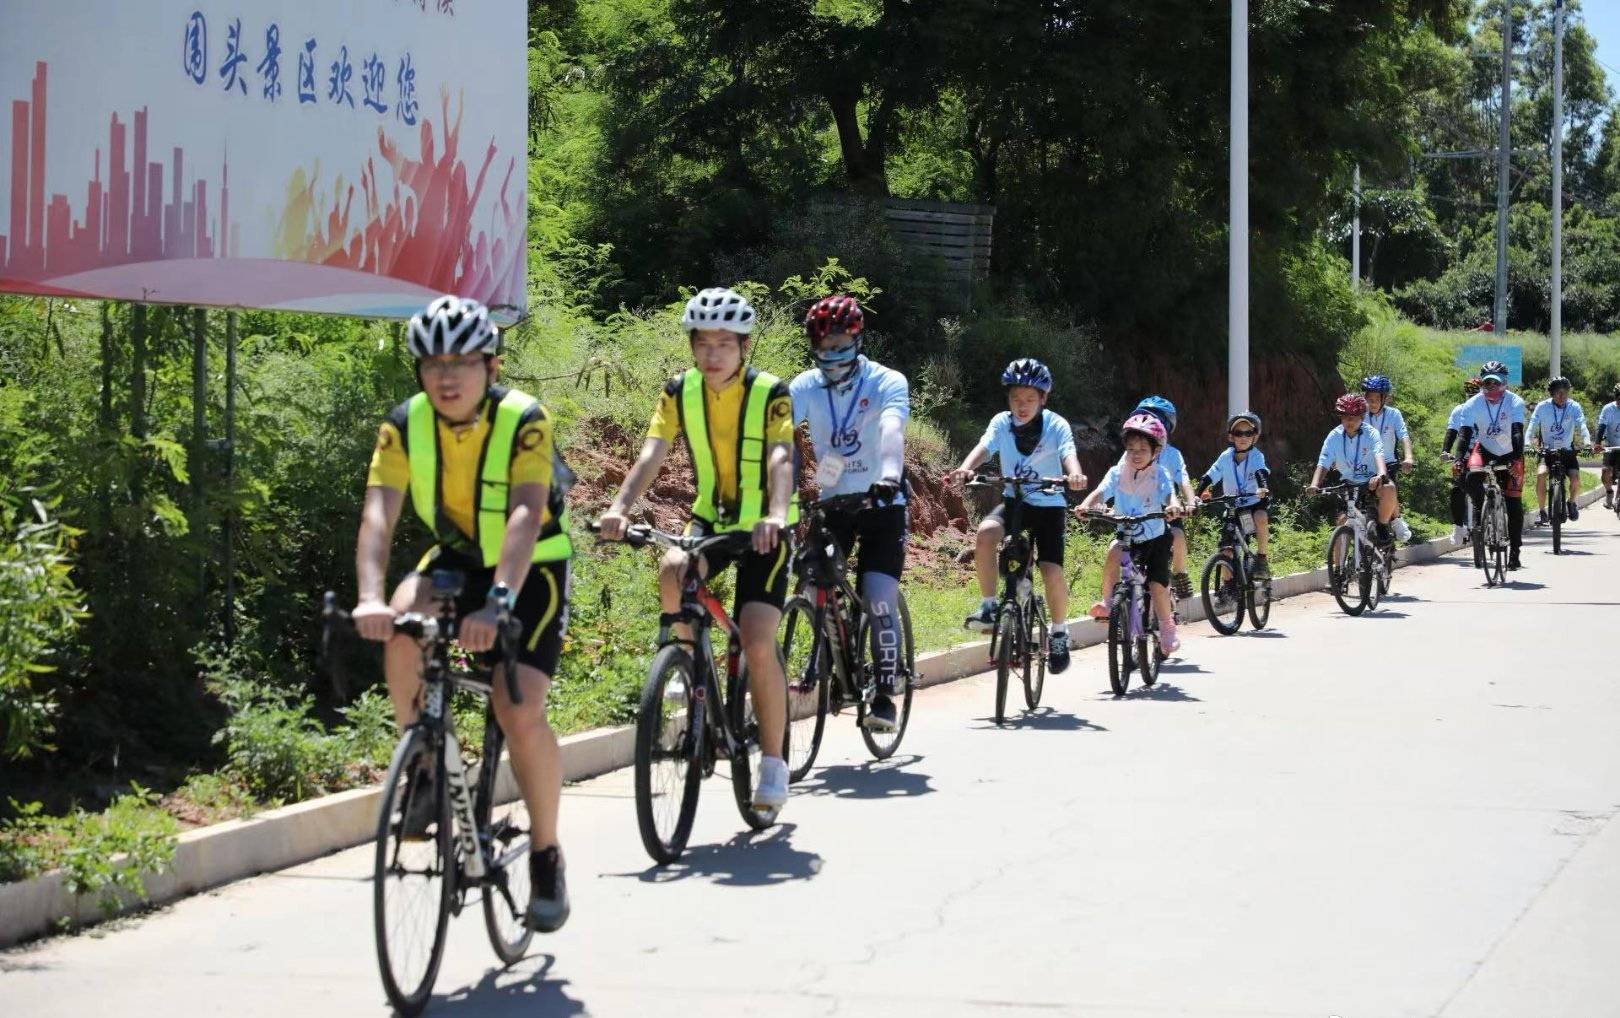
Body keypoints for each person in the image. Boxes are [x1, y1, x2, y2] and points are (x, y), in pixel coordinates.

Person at [353, 295, 575, 932]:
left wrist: (499, 598)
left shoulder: (524, 419)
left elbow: (526, 512)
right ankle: (422, 762)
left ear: (491, 365)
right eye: (432, 363)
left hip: (529, 567)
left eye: (463, 363)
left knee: (518, 709)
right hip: (454, 557)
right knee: (400, 621)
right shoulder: (404, 423)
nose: (447, 376)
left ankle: (546, 854)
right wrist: (370, 594)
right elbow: (378, 513)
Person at [596, 287, 797, 812]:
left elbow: (781, 456)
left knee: (756, 641)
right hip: (711, 518)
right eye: (703, 343)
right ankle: (685, 665)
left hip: (765, 528)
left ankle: (773, 764)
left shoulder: (770, 392)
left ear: (744, 347)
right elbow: (651, 453)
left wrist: (776, 513)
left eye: (724, 344)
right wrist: (619, 505)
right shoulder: (679, 391)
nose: (713, 354)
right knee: (671, 567)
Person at [789, 295, 910, 731]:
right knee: (809, 580)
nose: (830, 353)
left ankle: (883, 693)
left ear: (858, 338)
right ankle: (830, 659)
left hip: (882, 500)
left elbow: (892, 429)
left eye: (839, 342)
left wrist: (891, 476)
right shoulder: (803, 386)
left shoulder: (887, 381)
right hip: (833, 499)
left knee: (877, 596)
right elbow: (777, 437)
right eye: (821, 344)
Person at [948, 359, 1088, 673]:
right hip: (1015, 502)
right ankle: (988, 606)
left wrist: (1075, 475)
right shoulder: (1001, 423)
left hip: (1049, 507)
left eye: (1029, 399)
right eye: (1015, 399)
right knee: (985, 534)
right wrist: (966, 467)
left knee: (1051, 570)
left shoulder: (1056, 425)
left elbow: (1068, 453)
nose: (1021, 406)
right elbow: (984, 447)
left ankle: (1060, 632)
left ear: (1043, 399)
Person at [1075, 413, 1186, 656]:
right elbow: (1101, 492)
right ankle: (1108, 603)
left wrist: (1173, 506)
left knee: (1157, 586)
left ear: (1155, 452)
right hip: (1127, 535)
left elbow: (1170, 495)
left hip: (1156, 538)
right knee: (1112, 553)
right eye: (1131, 448)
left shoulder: (1160, 474)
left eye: (1143, 449)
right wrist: (1086, 504)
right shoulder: (1117, 472)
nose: (1136, 453)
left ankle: (1167, 628)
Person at [1454, 361, 1528, 569]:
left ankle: (1514, 551)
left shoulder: (1515, 402)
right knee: (1469, 477)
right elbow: (1464, 433)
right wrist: (1459, 459)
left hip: (1511, 451)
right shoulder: (1472, 404)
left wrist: (1515, 459)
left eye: (1496, 383)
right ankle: (1482, 510)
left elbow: (1517, 432)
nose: (1491, 388)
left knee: (1514, 503)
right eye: (1487, 383)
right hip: (1484, 449)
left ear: (1504, 383)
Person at [1132, 396, 1199, 599]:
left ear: (1166, 427)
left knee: (1177, 536)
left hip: (1168, 509)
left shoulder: (1172, 455)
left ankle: (1180, 575)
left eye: (1153, 420)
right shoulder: (1133, 452)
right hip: (1139, 510)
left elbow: (1183, 481)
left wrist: (1191, 500)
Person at [1305, 393, 1395, 542]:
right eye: (1345, 416)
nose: (1349, 420)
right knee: (1341, 522)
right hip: (1348, 483)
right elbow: (1323, 462)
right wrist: (1314, 485)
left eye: (1354, 416)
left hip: (1371, 481)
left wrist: (1380, 475)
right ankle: (1338, 565)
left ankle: (1383, 526)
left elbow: (1379, 456)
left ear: (1362, 417)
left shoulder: (1371, 433)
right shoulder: (1334, 436)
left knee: (1389, 488)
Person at [1195, 412, 1272, 577]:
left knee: (1261, 516)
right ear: (1231, 437)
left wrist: (1263, 488)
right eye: (1238, 433)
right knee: (1226, 551)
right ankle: (1227, 589)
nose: (1243, 437)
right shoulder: (1225, 457)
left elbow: (1261, 473)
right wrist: (1197, 494)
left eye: (1248, 433)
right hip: (1233, 507)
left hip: (1254, 502)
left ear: (1255, 437)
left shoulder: (1256, 456)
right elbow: (1210, 476)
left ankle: (1261, 558)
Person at [1528, 376, 1590, 524]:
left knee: (1575, 479)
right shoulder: (1542, 407)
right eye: (1558, 393)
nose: (1562, 396)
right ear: (1551, 393)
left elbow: (1582, 425)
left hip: (1567, 452)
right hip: (1547, 451)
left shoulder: (1574, 406)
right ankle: (1542, 511)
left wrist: (1587, 443)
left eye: (1565, 392)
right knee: (1541, 474)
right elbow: (1532, 426)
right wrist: (1527, 444)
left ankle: (1572, 503)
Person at [1360, 375, 1415, 542]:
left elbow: (1404, 436)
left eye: (1377, 399)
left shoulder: (1394, 414)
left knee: (1388, 487)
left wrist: (1408, 457)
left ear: (1385, 398)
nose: (1373, 403)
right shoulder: (1360, 415)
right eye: (1369, 399)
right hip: (1363, 466)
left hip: (1388, 463)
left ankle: (1394, 521)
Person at [1442, 377, 1483, 541]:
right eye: (1469, 394)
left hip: (1485, 454)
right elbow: (1452, 431)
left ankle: (1495, 514)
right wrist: (1445, 450)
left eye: (1475, 394)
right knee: (1456, 489)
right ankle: (1459, 526)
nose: (1471, 398)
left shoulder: (1488, 410)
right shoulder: (1459, 410)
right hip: (1465, 455)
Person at [1596, 383, 1620, 509]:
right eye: (1619, 397)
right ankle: (1609, 492)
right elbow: (1601, 427)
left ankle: (1618, 498)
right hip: (1611, 446)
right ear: (1616, 397)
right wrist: (1597, 443)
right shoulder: (1608, 409)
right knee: (1605, 473)